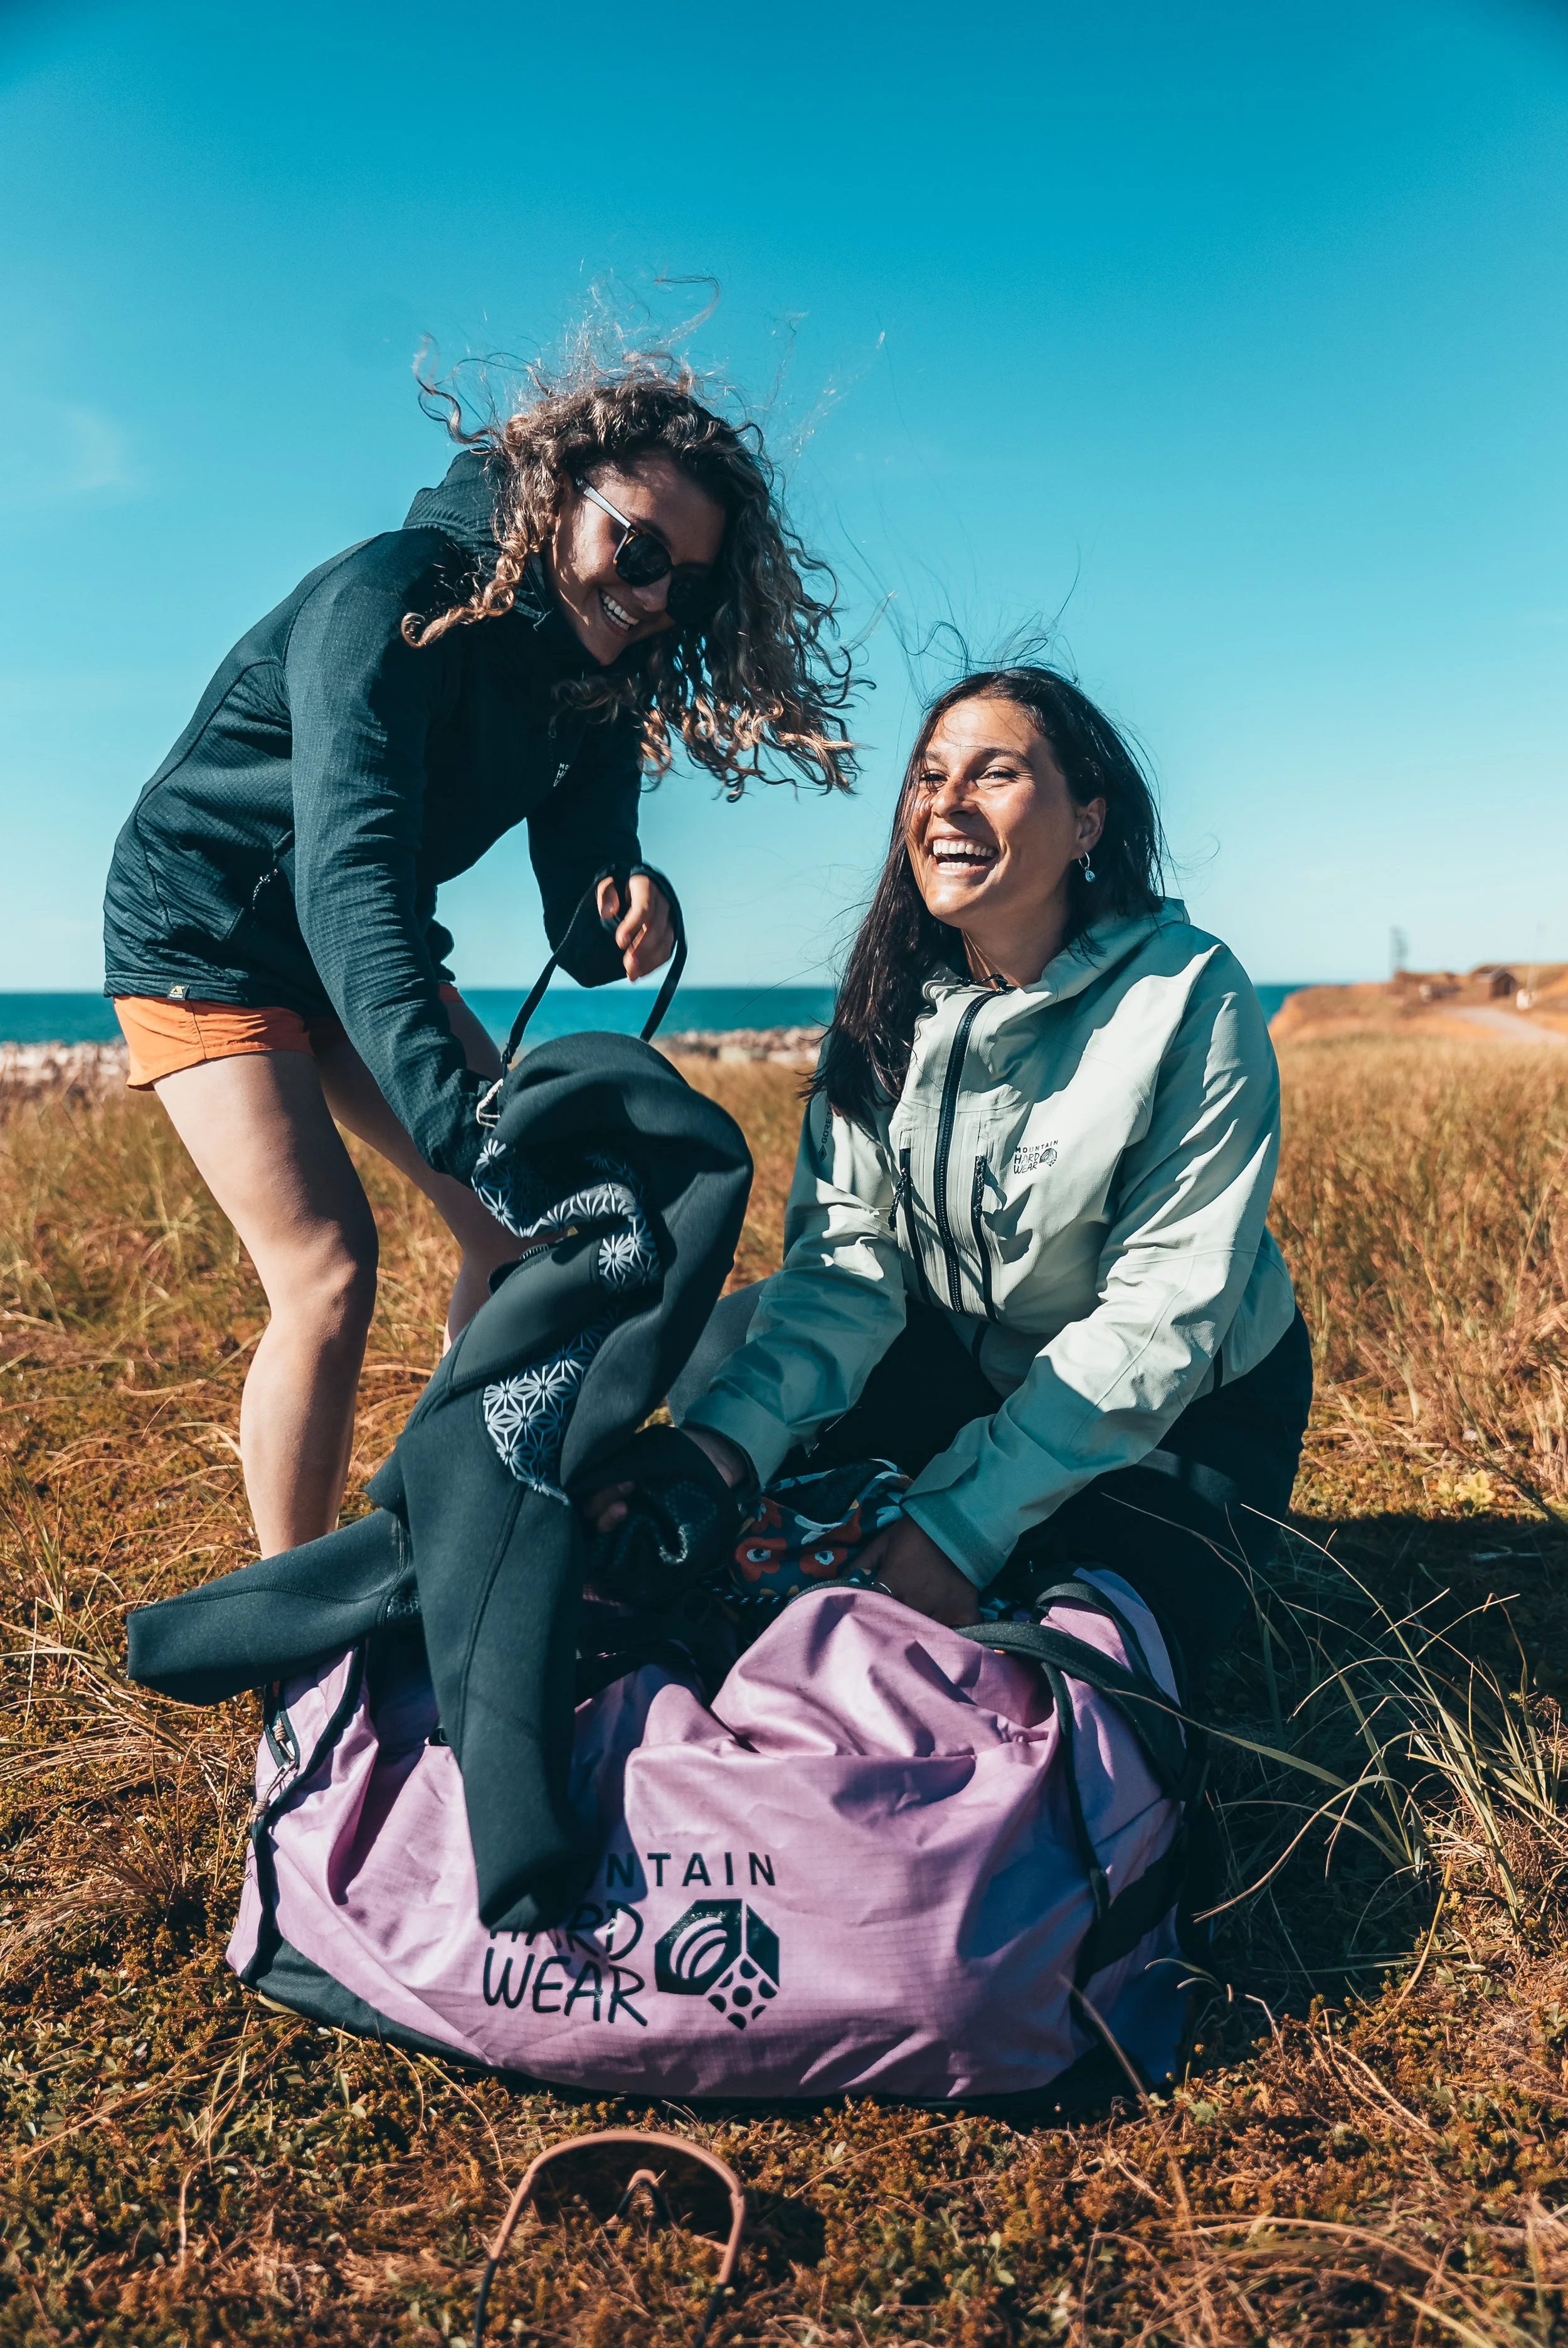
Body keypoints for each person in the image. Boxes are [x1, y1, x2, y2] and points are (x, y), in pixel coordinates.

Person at [103, 357, 854, 1558]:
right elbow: (348, 871)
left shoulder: (600, 683)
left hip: (361, 941)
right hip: (207, 929)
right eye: (639, 550)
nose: (655, 597)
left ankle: (445, 1528)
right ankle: (293, 1616)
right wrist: (455, 1120)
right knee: (331, 1268)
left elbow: (580, 917)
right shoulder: (392, 599)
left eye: (691, 585)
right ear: (558, 493)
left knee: (530, 1235)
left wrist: (630, 903)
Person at [596, 664, 1311, 1689]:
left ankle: (1021, 1531)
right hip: (970, 1354)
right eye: (930, 777)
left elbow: (1160, 1316)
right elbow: (842, 1275)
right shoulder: (887, 1002)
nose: (947, 804)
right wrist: (716, 1455)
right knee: (719, 1360)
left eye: (996, 773)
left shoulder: (1190, 992)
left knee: (1086, 1642)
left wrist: (960, 1523)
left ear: (1088, 822)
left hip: (1189, 1400)